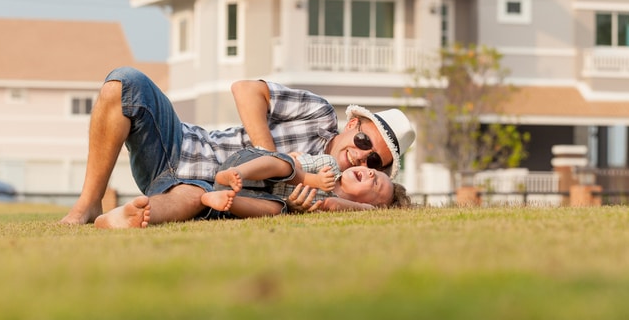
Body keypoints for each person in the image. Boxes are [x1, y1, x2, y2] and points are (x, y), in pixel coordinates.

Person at [60, 66, 415, 228]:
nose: (361, 156)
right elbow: (245, 89)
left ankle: (131, 216)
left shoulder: (333, 187)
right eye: (364, 141)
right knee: (125, 84)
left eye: (374, 160)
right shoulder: (318, 114)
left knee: (194, 196)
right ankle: (87, 203)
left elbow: (320, 204)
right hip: (180, 145)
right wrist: (267, 152)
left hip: (206, 190)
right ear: (353, 124)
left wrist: (300, 201)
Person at [199, 147, 411, 216]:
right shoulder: (329, 164)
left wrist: (364, 209)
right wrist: (315, 180)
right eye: (372, 171)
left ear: (368, 204)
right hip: (249, 167)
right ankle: (232, 173)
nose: (371, 174)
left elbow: (331, 203)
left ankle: (223, 200)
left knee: (277, 208)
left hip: (249, 195)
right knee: (285, 165)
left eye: (376, 184)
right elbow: (294, 160)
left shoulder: (333, 204)